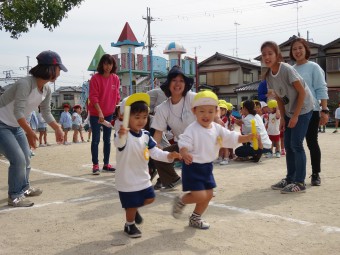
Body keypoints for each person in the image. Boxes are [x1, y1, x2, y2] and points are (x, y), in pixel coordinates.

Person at [173, 91, 256, 229]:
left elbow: (232, 137)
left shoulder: (217, 128)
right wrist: (184, 152)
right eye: (202, 111)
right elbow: (183, 142)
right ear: (194, 111)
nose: (206, 115)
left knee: (209, 194)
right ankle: (181, 201)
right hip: (192, 166)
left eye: (210, 111)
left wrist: (247, 137)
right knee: (200, 195)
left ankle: (196, 217)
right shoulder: (192, 129)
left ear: (216, 112)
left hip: (207, 167)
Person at [0, 50, 66, 207]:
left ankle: (24, 188)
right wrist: (29, 132)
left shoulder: (47, 89)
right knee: (18, 159)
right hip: (2, 124)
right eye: (59, 69)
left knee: (26, 157)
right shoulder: (25, 84)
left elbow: (46, 111)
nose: (60, 72)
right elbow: (18, 111)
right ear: (50, 68)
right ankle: (14, 196)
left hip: (16, 126)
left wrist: (57, 128)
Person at [113, 93, 181, 238]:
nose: (141, 121)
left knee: (150, 198)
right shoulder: (122, 135)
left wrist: (168, 156)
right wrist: (121, 135)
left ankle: (133, 209)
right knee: (131, 205)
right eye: (136, 117)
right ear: (126, 118)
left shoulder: (145, 135)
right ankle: (129, 225)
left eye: (144, 117)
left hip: (142, 177)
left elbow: (155, 152)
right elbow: (119, 144)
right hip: (127, 179)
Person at [261, 41, 314, 193]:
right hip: (290, 111)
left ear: (277, 55)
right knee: (289, 145)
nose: (267, 57)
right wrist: (283, 118)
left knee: (296, 144)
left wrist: (295, 116)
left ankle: (300, 182)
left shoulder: (286, 69)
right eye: (264, 55)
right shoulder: (269, 75)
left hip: (303, 109)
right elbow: (278, 98)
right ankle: (290, 178)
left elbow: (302, 92)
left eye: (270, 53)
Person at [290, 38, 329, 186]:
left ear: (306, 50)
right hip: (296, 112)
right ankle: (296, 175)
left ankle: (315, 174)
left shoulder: (314, 67)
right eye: (294, 49)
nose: (298, 51)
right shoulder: (291, 69)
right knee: (295, 144)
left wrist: (324, 110)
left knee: (312, 142)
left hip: (312, 110)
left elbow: (321, 88)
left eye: (300, 48)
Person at [150, 65, 196, 191]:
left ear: (185, 84)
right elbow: (158, 133)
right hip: (182, 145)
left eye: (181, 80)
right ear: (168, 84)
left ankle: (205, 186)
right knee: (158, 155)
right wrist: (156, 147)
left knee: (195, 177)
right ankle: (173, 180)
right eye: (174, 80)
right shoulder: (162, 108)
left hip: (200, 143)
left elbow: (211, 105)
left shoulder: (192, 98)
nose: (178, 84)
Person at [88, 54, 120, 175]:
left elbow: (117, 96)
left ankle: (106, 164)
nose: (108, 67)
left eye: (110, 64)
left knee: (107, 140)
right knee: (95, 139)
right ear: (102, 64)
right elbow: (93, 96)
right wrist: (100, 112)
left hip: (109, 113)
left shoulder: (115, 78)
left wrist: (117, 111)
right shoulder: (95, 78)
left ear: (113, 65)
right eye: (105, 64)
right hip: (96, 114)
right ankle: (95, 165)